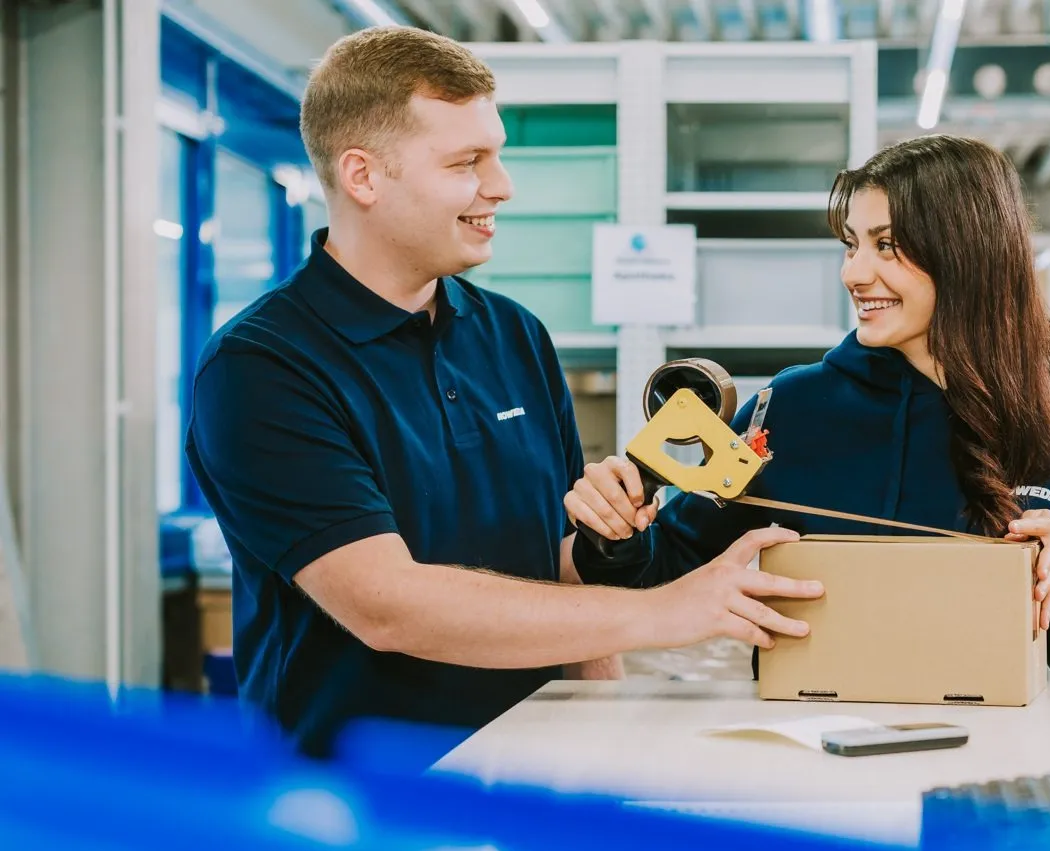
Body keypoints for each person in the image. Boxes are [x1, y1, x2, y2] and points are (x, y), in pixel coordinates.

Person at [184, 26, 822, 758]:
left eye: (498, 154)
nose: (502, 186)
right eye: (467, 162)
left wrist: (604, 547)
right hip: (363, 803)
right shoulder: (262, 366)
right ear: (363, 177)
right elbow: (388, 605)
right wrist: (664, 610)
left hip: (527, 774)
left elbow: (547, 571)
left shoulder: (514, 334)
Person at [567, 135, 1050, 681]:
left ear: (968, 254)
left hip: (984, 751)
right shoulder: (787, 407)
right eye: (852, 244)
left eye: (886, 246)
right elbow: (665, 567)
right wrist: (616, 534)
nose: (853, 273)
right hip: (806, 747)